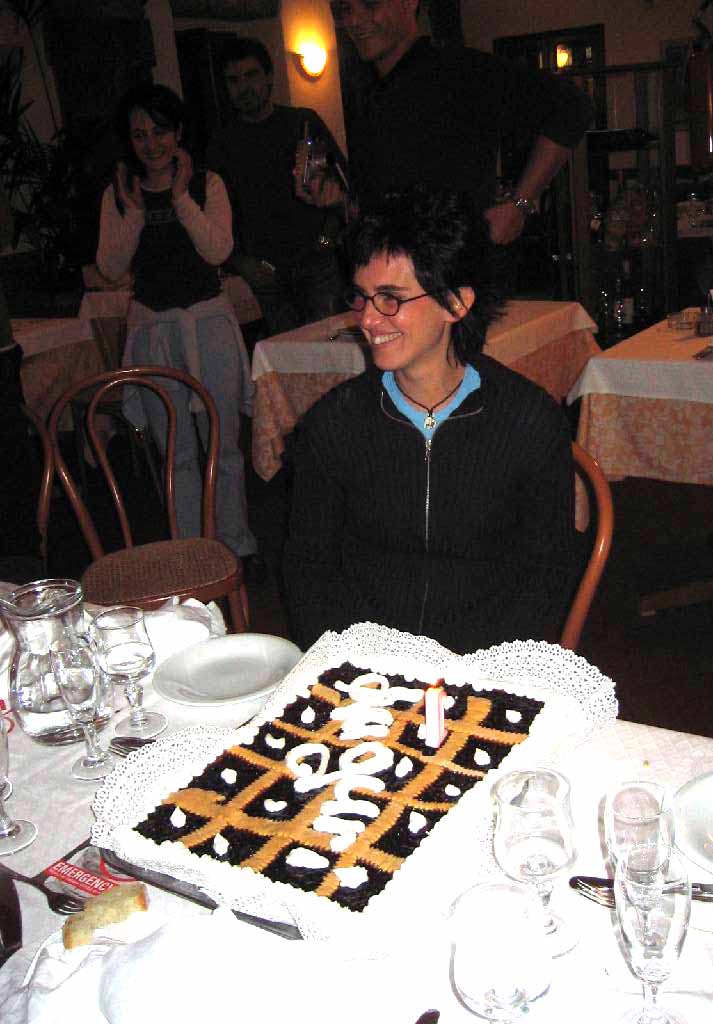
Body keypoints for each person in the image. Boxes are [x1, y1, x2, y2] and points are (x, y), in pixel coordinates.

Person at [282, 187, 579, 654]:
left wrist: (488, 670)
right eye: (362, 297)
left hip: (485, 660)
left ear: (456, 303)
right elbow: (308, 567)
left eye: (391, 298)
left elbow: (548, 572)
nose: (368, 320)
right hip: (366, 664)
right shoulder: (334, 424)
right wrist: (344, 661)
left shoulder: (528, 422)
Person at [298, 0, 592, 279]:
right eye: (344, 9)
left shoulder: (460, 71)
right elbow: (380, 201)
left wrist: (520, 204)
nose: (354, 19)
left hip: (455, 277)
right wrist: (339, 200)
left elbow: (572, 108)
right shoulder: (366, 92)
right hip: (390, 279)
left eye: (370, 4)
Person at [96, 83, 258, 563]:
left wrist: (181, 197)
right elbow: (110, 267)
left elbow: (218, 250)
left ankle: (235, 544)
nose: (151, 144)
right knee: (176, 451)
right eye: (140, 135)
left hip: (208, 324)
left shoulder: (208, 183)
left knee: (222, 444)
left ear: (178, 132)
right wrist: (137, 212)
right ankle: (191, 552)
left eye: (159, 131)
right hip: (153, 331)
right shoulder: (120, 194)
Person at [207, 38, 348, 335]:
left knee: (331, 352)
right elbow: (217, 213)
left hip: (316, 264)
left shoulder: (302, 123)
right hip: (265, 273)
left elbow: (342, 182)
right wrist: (241, 262)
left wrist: (327, 240)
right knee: (284, 357)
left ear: (269, 77)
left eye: (251, 75)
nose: (243, 87)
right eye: (233, 80)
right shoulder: (222, 143)